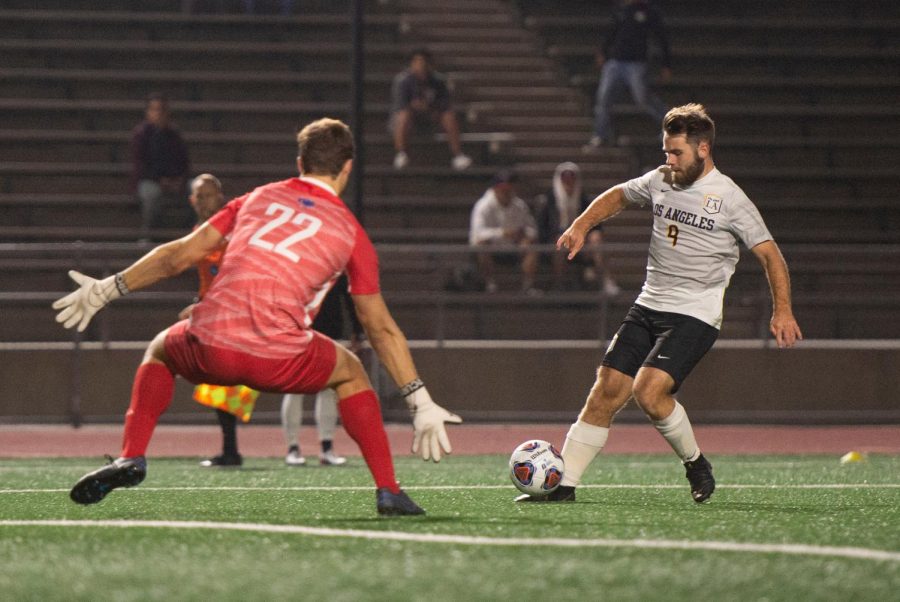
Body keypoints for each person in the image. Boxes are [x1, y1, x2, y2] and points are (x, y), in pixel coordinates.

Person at [56, 117, 462, 516]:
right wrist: (419, 400)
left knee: (161, 348)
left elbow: (178, 255)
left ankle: (133, 457)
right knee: (351, 371)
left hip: (210, 346)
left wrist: (108, 288)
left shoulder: (256, 198)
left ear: (300, 163)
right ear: (348, 167)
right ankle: (388, 490)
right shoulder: (353, 234)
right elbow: (379, 327)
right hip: (278, 359)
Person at [519, 104, 802, 503]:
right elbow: (619, 195)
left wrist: (783, 309)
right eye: (666, 152)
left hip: (695, 313)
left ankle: (696, 464)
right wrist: (581, 224)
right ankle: (563, 488)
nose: (668, 160)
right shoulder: (661, 179)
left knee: (650, 392)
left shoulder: (729, 198)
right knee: (605, 391)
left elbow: (771, 255)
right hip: (649, 304)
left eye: (677, 153)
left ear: (703, 149)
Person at [177, 173, 256, 468]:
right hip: (215, 313)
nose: (207, 201)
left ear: (221, 197)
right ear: (192, 201)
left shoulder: (234, 227)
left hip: (236, 311)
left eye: (212, 195)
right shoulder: (200, 231)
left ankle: (308, 444)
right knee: (220, 380)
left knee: (227, 378)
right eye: (201, 195)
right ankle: (230, 449)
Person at [282, 274, 363, 467]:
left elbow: (348, 296)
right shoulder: (298, 264)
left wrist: (357, 329)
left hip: (331, 333)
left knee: (328, 389)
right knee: (296, 389)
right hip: (301, 333)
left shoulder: (336, 265)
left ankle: (327, 447)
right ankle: (292, 447)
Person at [585, 0, 672, 149]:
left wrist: (666, 64)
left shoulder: (649, 11)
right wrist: (603, 52)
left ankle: (671, 126)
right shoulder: (620, 10)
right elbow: (611, 32)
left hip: (636, 63)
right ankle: (600, 135)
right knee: (603, 99)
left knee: (643, 99)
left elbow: (661, 37)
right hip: (615, 62)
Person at [535, 162, 620, 295]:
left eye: (571, 180)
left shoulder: (583, 199)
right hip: (558, 242)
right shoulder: (549, 200)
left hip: (581, 239)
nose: (569, 184)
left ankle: (606, 280)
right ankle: (559, 283)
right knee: (560, 241)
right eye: (565, 180)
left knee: (596, 238)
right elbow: (544, 228)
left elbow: (596, 224)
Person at [389, 48, 472, 171]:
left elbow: (445, 103)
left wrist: (431, 108)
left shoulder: (438, 81)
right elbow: (400, 106)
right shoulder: (403, 81)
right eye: (417, 62)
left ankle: (457, 155)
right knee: (403, 115)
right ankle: (401, 153)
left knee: (449, 116)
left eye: (424, 62)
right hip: (409, 118)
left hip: (431, 116)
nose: (421, 66)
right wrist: (415, 106)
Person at [130, 93, 192, 237]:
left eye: (162, 110)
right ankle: (147, 235)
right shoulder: (141, 135)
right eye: (154, 109)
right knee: (151, 194)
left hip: (174, 180)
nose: (158, 113)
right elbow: (140, 164)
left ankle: (192, 232)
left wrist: (178, 180)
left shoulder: (174, 134)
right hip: (149, 180)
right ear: (148, 112)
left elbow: (184, 162)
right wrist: (160, 180)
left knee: (197, 189)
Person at [469, 169, 539, 295]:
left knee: (531, 246)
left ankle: (528, 286)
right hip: (492, 250)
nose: (506, 191)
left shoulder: (519, 205)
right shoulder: (483, 206)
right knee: (481, 245)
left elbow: (532, 229)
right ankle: (490, 284)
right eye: (503, 188)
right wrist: (502, 233)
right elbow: (477, 234)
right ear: (495, 188)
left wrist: (525, 236)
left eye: (509, 187)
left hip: (514, 247)